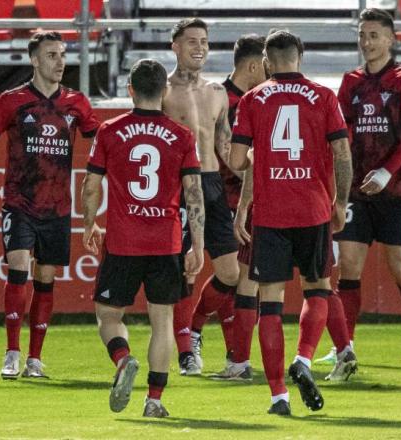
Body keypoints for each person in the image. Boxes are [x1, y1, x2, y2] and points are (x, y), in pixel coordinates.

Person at [0, 31, 100, 379]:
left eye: (62, 54)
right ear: (35, 60)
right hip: (19, 203)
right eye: (52, 55)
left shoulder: (77, 102)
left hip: (57, 207)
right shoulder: (12, 101)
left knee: (46, 277)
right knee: (19, 266)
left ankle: (35, 358)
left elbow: (100, 142)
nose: (61, 62)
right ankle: (11, 352)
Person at [230, 30, 353, 416]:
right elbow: (342, 153)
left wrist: (246, 199)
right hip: (313, 209)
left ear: (267, 61)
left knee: (270, 302)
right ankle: (303, 358)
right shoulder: (324, 96)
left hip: (271, 213)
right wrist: (341, 201)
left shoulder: (252, 99)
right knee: (318, 288)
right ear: (300, 57)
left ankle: (278, 396)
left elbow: (237, 160)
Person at [82, 59, 205, 417]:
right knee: (162, 320)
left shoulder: (109, 131)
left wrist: (89, 223)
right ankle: (154, 400)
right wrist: (196, 243)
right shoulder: (183, 136)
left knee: (107, 314)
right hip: (166, 242)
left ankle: (122, 359)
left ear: (130, 89)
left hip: (123, 241)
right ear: (164, 91)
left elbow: (91, 186)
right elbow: (193, 194)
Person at [333, 8, 401, 363]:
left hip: (396, 188)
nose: (367, 42)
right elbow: (341, 135)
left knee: (399, 266)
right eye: (362, 35)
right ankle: (344, 347)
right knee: (348, 263)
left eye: (374, 35)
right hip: (357, 189)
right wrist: (341, 179)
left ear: (391, 38)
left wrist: (388, 171)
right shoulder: (350, 82)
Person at [163, 18, 241, 375]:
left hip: (212, 185)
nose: (199, 47)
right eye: (191, 41)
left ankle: (193, 327)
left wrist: (257, 175)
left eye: (205, 42)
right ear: (175, 47)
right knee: (187, 270)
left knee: (230, 272)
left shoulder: (217, 92)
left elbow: (225, 147)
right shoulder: (161, 91)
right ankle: (185, 352)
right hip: (177, 186)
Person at [193, 33, 265, 381]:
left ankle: (234, 357)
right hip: (221, 200)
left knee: (243, 279)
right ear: (253, 65)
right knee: (237, 277)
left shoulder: (257, 99)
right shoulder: (220, 98)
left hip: (249, 200)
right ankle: (199, 335)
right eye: (266, 66)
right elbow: (226, 152)